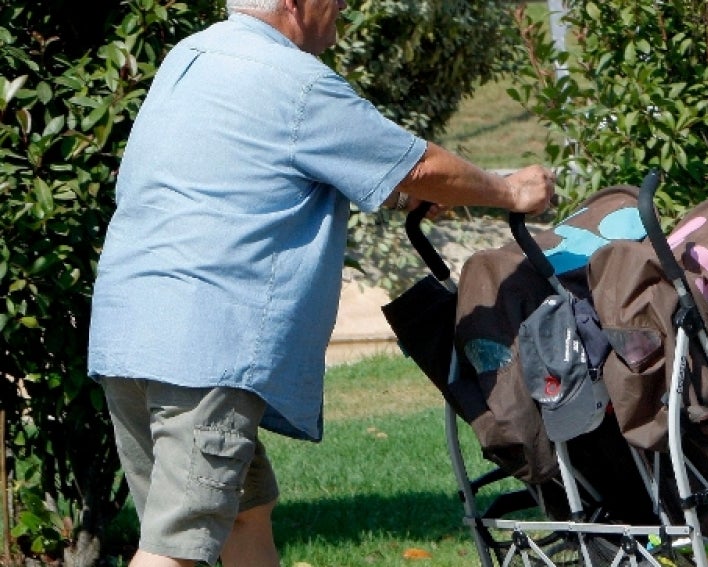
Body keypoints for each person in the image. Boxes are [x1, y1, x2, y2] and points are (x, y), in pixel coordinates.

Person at [86, 0, 555, 565]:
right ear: (293, 3)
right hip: (206, 346)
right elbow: (421, 167)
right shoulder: (297, 83)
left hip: (130, 334)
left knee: (242, 513)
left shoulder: (192, 56)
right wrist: (511, 191)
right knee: (177, 548)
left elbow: (252, 166)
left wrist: (403, 187)